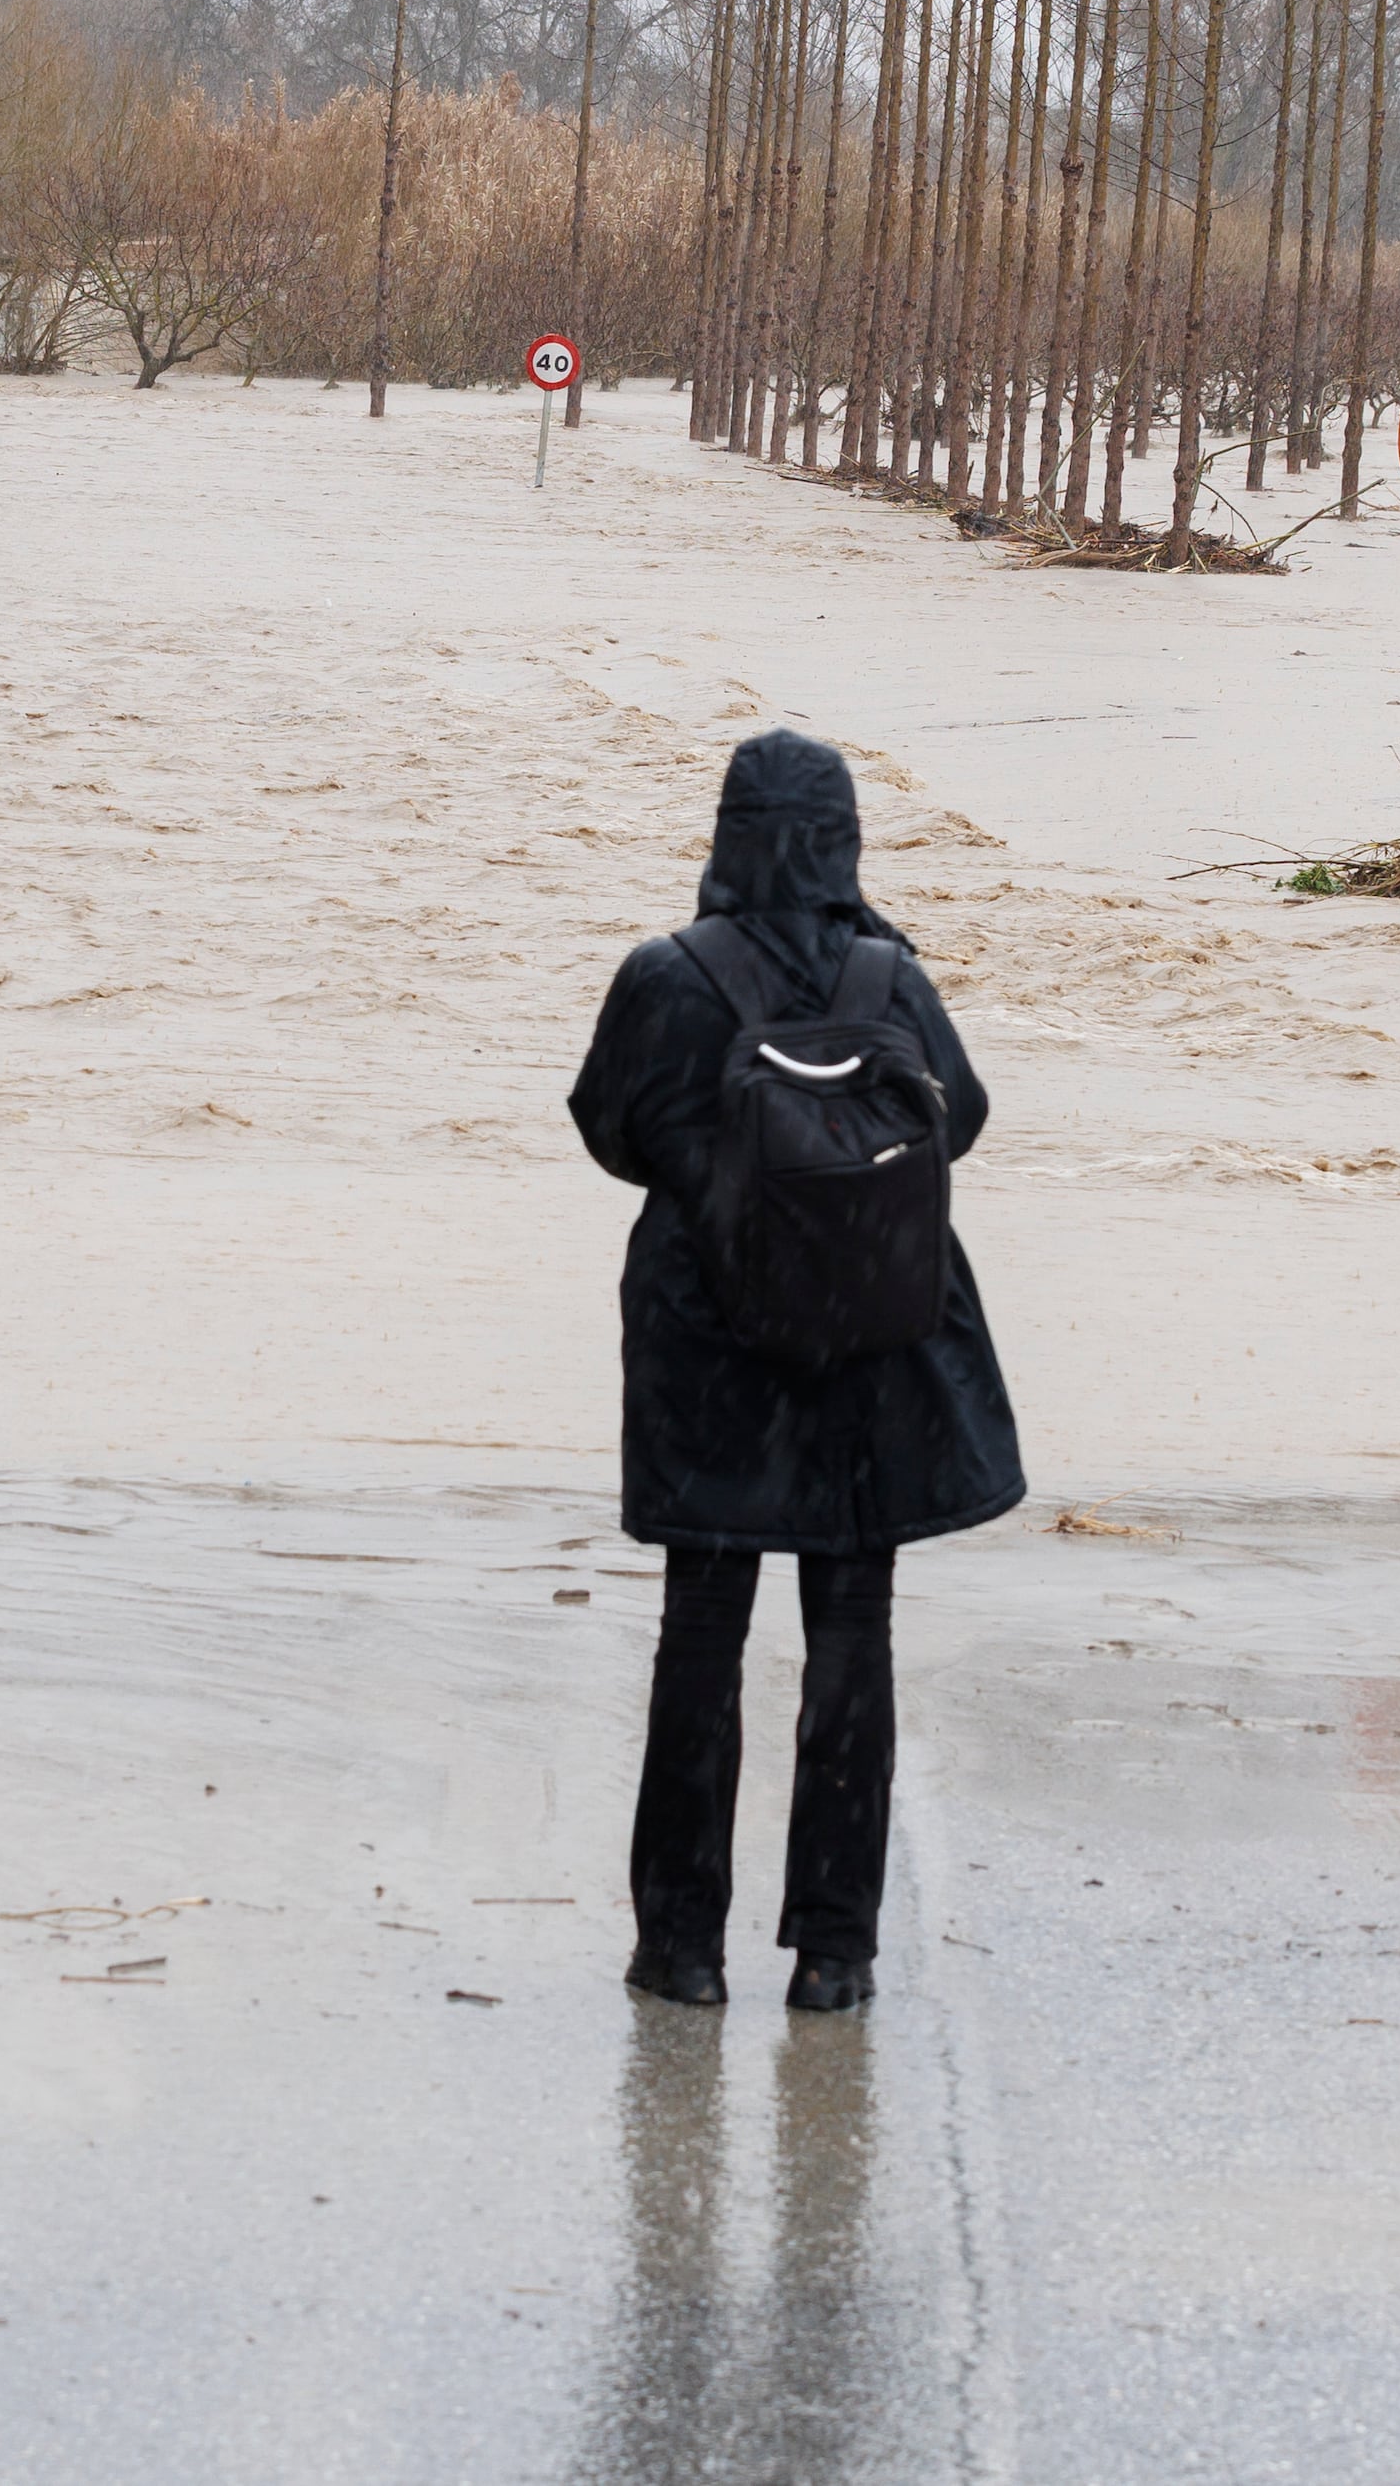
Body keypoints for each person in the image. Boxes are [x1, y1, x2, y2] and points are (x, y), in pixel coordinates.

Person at [570, 729, 1023, 2017]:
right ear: (844, 838)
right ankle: (834, 1956)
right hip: (864, 1347)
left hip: (707, 1350)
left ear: (723, 836)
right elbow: (966, 1118)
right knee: (850, 1642)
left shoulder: (665, 975)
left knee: (698, 1642)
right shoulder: (889, 978)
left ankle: (681, 1950)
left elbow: (609, 1131)